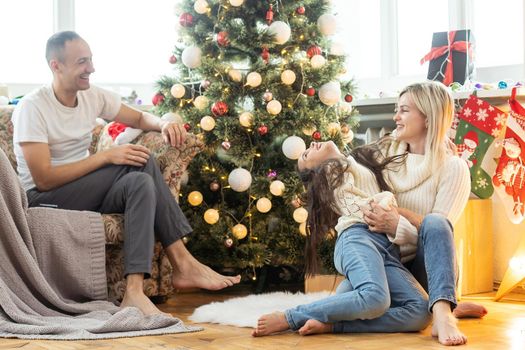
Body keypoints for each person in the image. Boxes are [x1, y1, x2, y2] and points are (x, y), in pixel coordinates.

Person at [11, 31, 240, 317]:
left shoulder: (91, 96)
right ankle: (182, 261)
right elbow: (43, 178)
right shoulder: (33, 107)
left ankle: (134, 292)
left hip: (84, 192)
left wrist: (165, 123)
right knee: (139, 163)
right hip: (43, 196)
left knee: (141, 183)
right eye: (82, 62)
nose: (91, 68)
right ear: (56, 66)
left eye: (91, 60)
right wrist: (106, 157)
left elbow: (140, 117)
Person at [254, 81, 481, 346]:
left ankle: (442, 311)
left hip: (421, 268)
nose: (395, 117)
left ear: (429, 117)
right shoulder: (386, 152)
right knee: (354, 297)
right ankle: (339, 323)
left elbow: (438, 237)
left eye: (404, 110)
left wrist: (398, 222)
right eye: (397, 109)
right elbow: (339, 169)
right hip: (383, 256)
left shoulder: (453, 168)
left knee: (435, 223)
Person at [252, 139, 432, 338]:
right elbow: (366, 208)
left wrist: (437, 144)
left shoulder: (354, 161)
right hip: (357, 239)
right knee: (375, 298)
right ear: (316, 172)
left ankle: (334, 324)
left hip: (386, 247)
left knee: (421, 311)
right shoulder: (331, 172)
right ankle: (290, 317)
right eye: (306, 155)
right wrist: (386, 201)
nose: (312, 143)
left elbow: (392, 140)